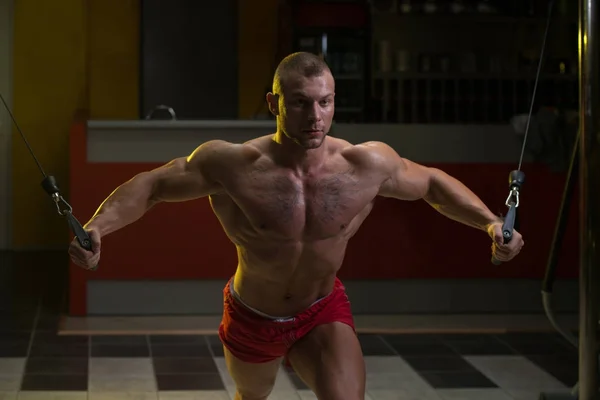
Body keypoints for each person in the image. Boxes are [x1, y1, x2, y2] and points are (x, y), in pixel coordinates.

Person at [69, 51, 524, 400]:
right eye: (301, 103)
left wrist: (489, 223)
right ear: (274, 102)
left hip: (320, 311)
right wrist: (97, 227)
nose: (316, 116)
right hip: (253, 314)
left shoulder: (365, 163)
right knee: (253, 396)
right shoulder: (232, 164)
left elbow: (432, 185)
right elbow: (152, 187)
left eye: (325, 102)